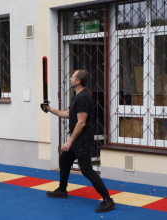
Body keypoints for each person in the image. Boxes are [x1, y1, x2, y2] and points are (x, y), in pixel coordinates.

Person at [43, 69, 115, 213]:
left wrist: (69, 141)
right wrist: (50, 109)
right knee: (64, 160)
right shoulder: (77, 97)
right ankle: (62, 190)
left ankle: (108, 200)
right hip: (77, 139)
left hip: (82, 139)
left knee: (86, 170)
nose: (70, 78)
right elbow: (69, 114)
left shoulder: (83, 97)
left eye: (72, 77)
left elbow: (81, 123)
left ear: (78, 81)